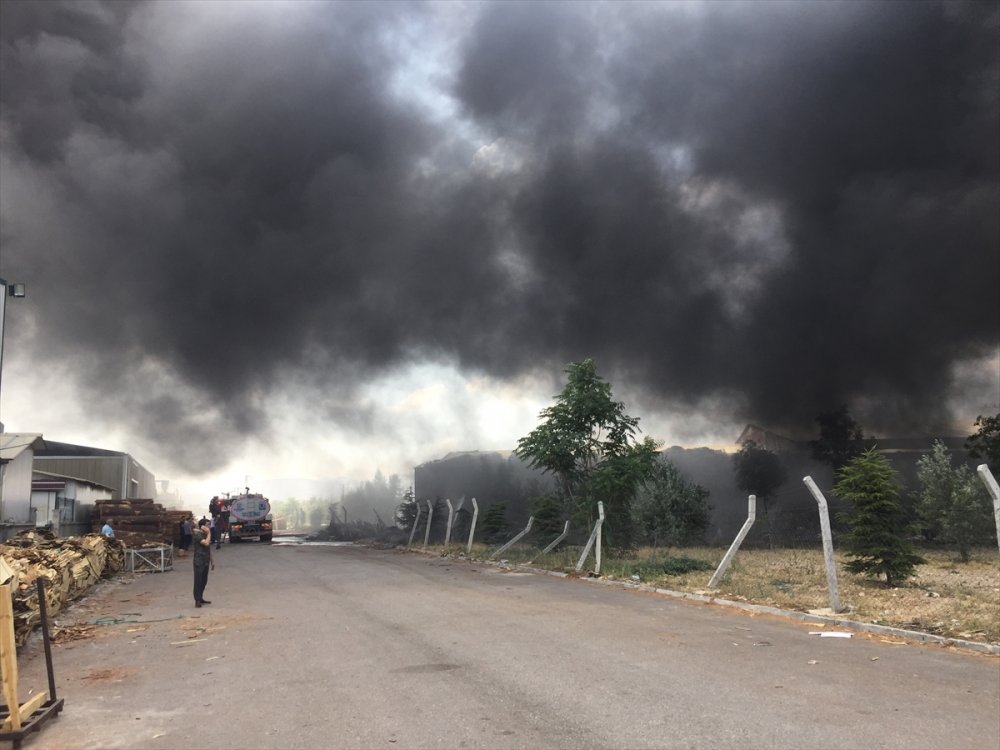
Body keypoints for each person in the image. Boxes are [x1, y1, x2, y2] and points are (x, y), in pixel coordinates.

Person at [192, 518, 215, 607]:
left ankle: (200, 597)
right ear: (202, 526)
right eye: (207, 525)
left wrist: (212, 561)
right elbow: (205, 543)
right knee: (198, 581)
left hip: (205, 561)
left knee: (204, 580)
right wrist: (209, 533)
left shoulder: (205, 535)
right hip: (199, 561)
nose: (209, 527)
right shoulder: (197, 535)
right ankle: (197, 600)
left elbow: (208, 548)